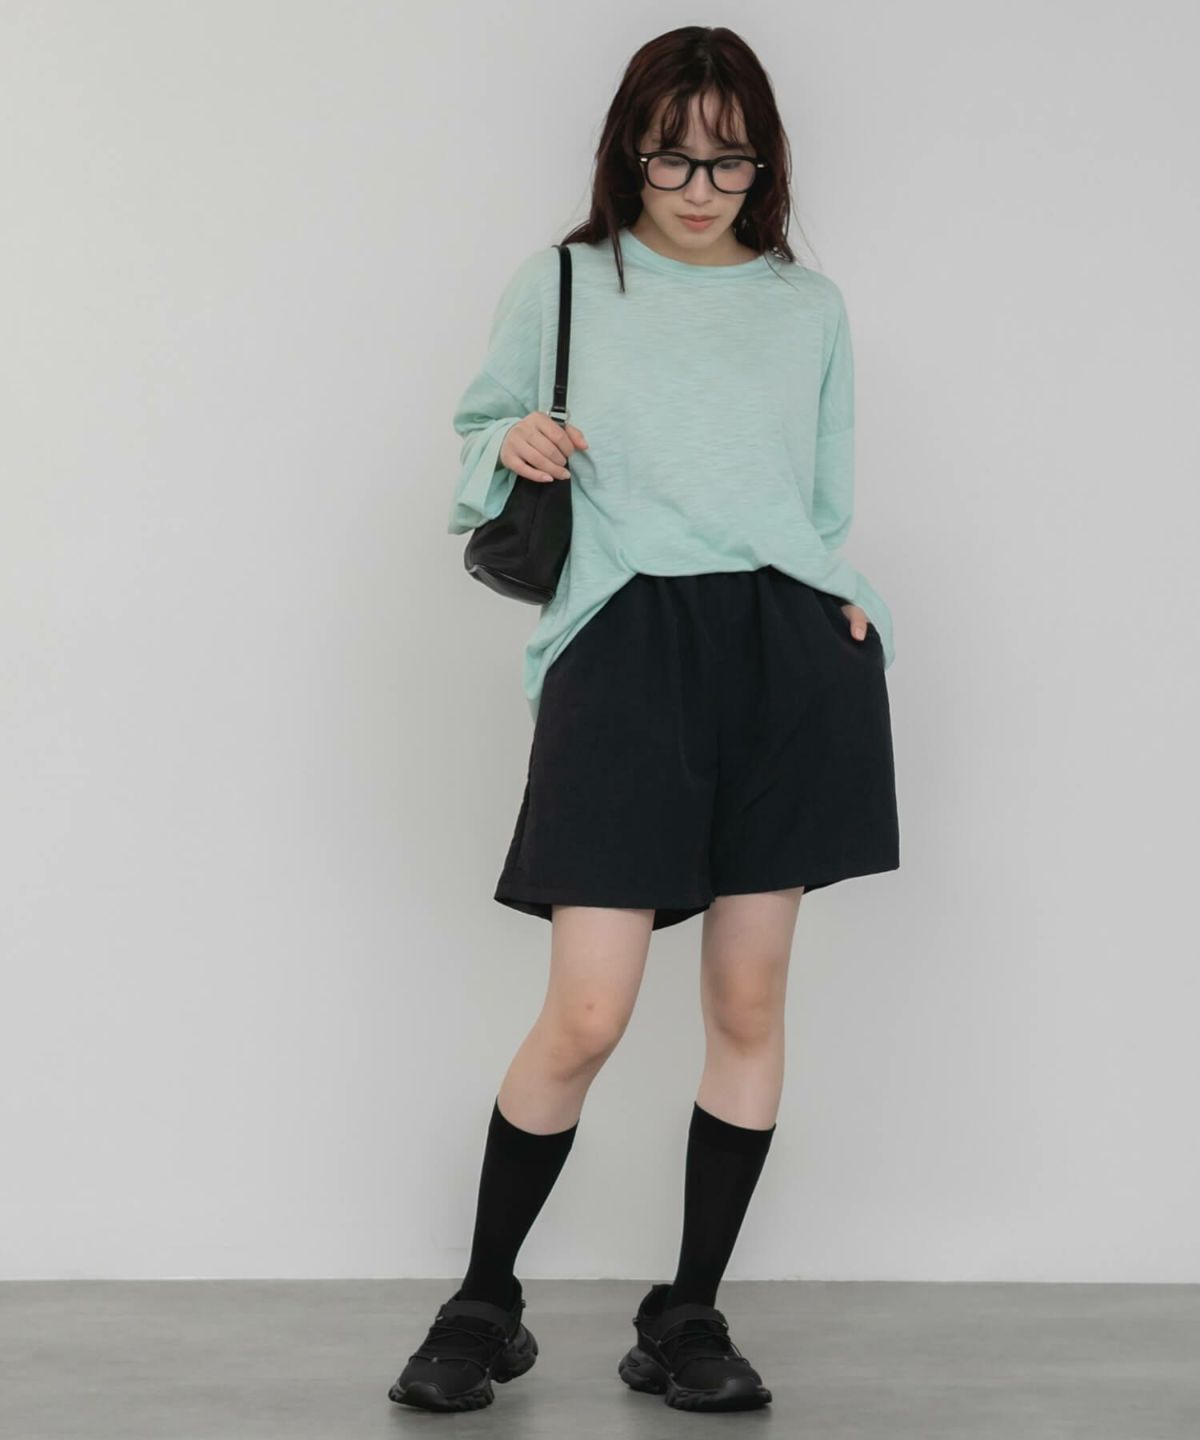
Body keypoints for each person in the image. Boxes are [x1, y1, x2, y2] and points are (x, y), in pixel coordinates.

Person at [390, 24, 900, 1416]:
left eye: (728, 161)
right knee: (589, 1009)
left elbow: (821, 502)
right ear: (629, 151)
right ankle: (483, 1303)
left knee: (748, 998)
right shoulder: (565, 280)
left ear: (764, 164)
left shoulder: (808, 307)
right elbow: (478, 440)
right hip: (622, 646)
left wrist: (847, 609)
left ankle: (687, 1315)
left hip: (788, 655)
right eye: (671, 156)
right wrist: (510, 441)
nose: (697, 186)